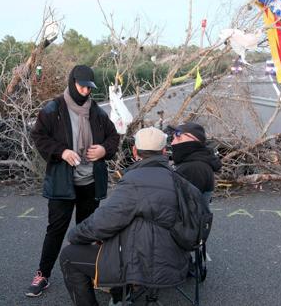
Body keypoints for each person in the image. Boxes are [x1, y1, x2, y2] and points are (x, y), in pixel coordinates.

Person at [59, 127, 190, 306]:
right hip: (176, 262)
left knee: (69, 255)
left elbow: (104, 222)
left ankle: (119, 291)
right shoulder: (180, 180)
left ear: (135, 152)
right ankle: (120, 292)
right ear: (164, 151)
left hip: (143, 264)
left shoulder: (134, 181)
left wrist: (75, 235)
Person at [27, 64, 120, 297]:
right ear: (72, 82)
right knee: (56, 230)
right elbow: (38, 136)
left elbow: (114, 137)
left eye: (89, 88)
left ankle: (87, 273)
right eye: (82, 87)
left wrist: (103, 151)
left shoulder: (96, 111)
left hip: (90, 182)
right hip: (62, 183)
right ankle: (43, 274)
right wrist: (61, 152)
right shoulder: (53, 109)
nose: (86, 92)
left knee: (87, 230)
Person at [170, 122, 222, 205]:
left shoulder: (196, 168)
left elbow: (187, 207)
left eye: (178, 138)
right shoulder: (189, 162)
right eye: (173, 139)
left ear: (193, 140)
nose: (172, 143)